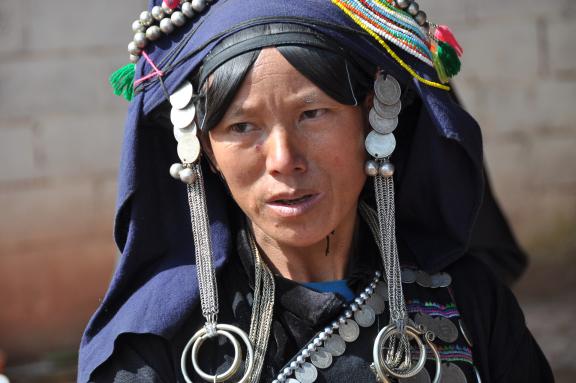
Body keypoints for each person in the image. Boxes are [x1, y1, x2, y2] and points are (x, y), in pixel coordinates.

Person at [79, 0, 553, 382]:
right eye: (242, 126)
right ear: (203, 148)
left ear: (373, 116)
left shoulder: (470, 303)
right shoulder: (152, 351)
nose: (284, 159)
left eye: (313, 114)